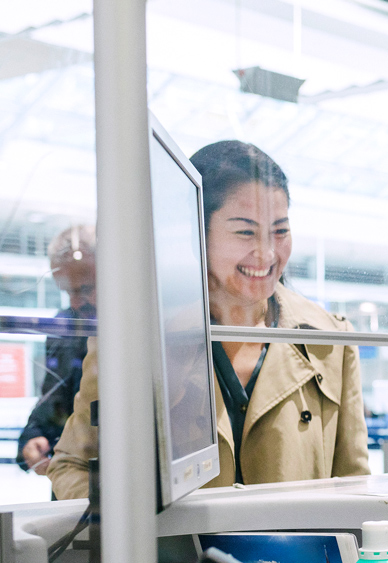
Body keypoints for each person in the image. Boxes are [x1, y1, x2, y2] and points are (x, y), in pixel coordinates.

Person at [47, 141, 369, 500]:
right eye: (245, 231)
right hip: (182, 557)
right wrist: (133, 532)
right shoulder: (138, 336)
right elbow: (74, 463)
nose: (266, 252)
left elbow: (354, 485)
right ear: (197, 231)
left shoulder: (329, 339)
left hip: (305, 558)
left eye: (280, 230)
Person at [18, 225, 96, 475]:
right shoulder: (64, 326)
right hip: (69, 474)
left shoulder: (139, 329)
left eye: (84, 289)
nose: (74, 303)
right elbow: (53, 398)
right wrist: (34, 436)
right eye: (66, 291)